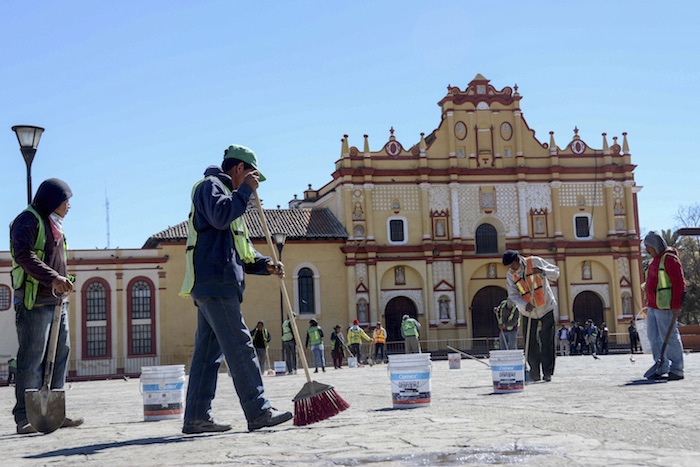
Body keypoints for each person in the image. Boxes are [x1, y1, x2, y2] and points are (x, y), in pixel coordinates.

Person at [179, 144, 293, 434]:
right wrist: (244, 194)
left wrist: (265, 264)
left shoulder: (230, 197)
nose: (253, 185)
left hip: (216, 283)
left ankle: (196, 417)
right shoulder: (210, 187)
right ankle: (258, 411)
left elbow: (240, 250)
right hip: (215, 283)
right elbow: (219, 217)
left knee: (207, 356)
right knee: (241, 347)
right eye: (252, 177)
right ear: (240, 168)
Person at [9, 178, 83, 434]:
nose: (69, 206)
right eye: (66, 201)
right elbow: (24, 255)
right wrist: (53, 278)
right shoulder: (27, 221)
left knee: (61, 352)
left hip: (56, 303)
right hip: (35, 302)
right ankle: (24, 417)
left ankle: (54, 414)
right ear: (53, 200)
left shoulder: (56, 225)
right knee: (32, 358)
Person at [503, 249, 560, 382]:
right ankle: (534, 371)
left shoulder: (535, 261)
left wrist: (543, 272)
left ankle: (547, 372)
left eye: (512, 265)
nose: (511, 269)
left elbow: (556, 272)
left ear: (518, 260)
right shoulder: (511, 275)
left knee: (547, 340)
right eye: (509, 267)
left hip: (545, 306)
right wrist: (523, 305)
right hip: (528, 311)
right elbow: (513, 295)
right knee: (530, 342)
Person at [642, 231, 686, 381]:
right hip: (653, 306)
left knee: (669, 336)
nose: (647, 250)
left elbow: (679, 284)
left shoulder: (669, 259)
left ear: (655, 245)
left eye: (648, 247)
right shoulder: (654, 261)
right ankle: (661, 365)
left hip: (666, 306)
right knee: (653, 336)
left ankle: (677, 368)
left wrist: (676, 305)